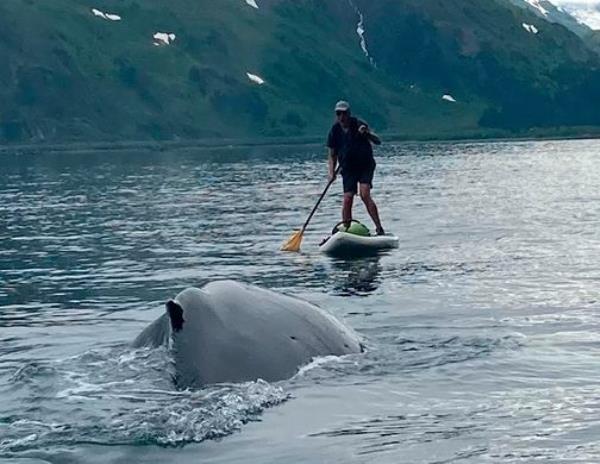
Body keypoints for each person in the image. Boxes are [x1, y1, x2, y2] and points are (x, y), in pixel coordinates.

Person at [326, 100, 385, 235]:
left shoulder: (358, 124)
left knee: (365, 194)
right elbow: (332, 154)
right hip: (348, 168)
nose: (341, 117)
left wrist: (366, 134)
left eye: (344, 113)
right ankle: (347, 229)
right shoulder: (334, 131)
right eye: (338, 114)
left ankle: (379, 227)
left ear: (349, 114)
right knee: (347, 198)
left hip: (365, 165)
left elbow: (378, 141)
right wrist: (331, 173)